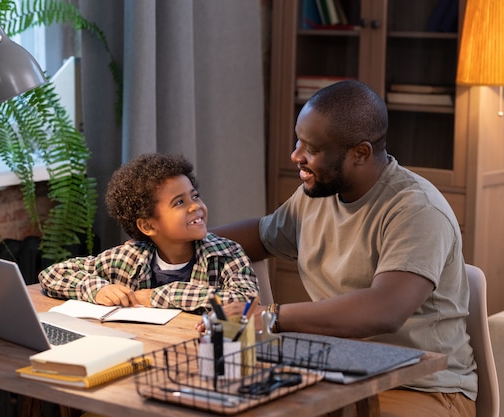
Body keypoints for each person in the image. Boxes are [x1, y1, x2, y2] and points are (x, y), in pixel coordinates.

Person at [211, 80, 476, 417]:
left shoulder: (416, 209)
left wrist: (269, 315)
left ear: (360, 153)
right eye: (298, 140)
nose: (296, 156)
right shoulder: (319, 193)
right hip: (340, 373)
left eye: (312, 148)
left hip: (424, 387)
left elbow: (385, 309)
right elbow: (262, 237)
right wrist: (171, 244)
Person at [38, 153, 259, 313]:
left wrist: (160, 295)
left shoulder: (226, 254)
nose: (195, 206)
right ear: (148, 226)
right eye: (180, 202)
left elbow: (247, 299)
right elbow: (53, 274)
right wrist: (99, 289)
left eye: (195, 196)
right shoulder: (128, 257)